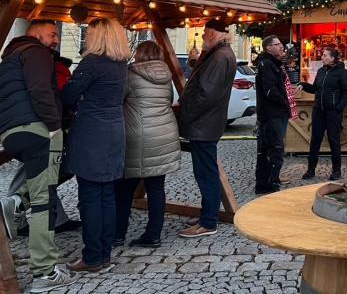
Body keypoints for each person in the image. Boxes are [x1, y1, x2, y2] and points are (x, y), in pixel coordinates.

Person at [0, 20, 79, 292]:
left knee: (43, 181)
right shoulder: (36, 53)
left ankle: (16, 201)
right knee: (44, 201)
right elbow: (40, 90)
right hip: (38, 129)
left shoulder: (9, 58)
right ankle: (44, 272)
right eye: (53, 33)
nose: (56, 39)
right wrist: (54, 126)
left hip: (11, 133)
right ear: (35, 33)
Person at [62, 18, 130, 273]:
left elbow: (68, 95)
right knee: (107, 196)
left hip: (93, 133)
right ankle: (104, 254)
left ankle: (91, 258)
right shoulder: (120, 64)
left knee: (90, 196)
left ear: (97, 37)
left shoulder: (92, 63)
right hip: (114, 130)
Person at [4, 54, 82, 241]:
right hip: (46, 128)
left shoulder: (20, 68)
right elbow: (63, 96)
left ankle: (55, 218)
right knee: (45, 173)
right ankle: (14, 212)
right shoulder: (55, 69)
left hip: (23, 127)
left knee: (42, 173)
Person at [114, 41, 180, 248]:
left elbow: (118, 100)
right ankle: (153, 234)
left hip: (137, 135)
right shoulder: (166, 77)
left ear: (139, 55)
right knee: (156, 188)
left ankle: (117, 234)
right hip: (164, 134)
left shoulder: (130, 75)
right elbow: (168, 100)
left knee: (124, 188)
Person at [177, 20, 236, 238]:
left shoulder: (220, 57)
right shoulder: (219, 54)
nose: (202, 37)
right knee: (206, 172)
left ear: (212, 34)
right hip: (206, 123)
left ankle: (208, 221)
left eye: (204, 33)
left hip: (204, 124)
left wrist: (186, 113)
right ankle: (207, 215)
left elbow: (206, 94)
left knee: (206, 173)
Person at [299, 46, 347, 181]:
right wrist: (304, 85)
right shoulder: (321, 71)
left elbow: (346, 91)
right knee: (315, 141)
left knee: (334, 141)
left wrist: (338, 108)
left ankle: (336, 171)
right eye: (322, 55)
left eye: (325, 55)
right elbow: (315, 88)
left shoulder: (341, 72)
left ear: (332, 58)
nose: (322, 57)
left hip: (332, 112)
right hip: (318, 111)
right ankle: (311, 170)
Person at [254, 35, 297, 194]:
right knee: (274, 150)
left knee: (270, 150)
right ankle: (269, 185)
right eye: (277, 44)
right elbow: (271, 90)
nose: (281, 46)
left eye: (281, 43)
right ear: (268, 48)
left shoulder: (274, 64)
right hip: (272, 115)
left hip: (275, 114)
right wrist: (285, 103)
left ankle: (267, 183)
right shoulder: (267, 64)